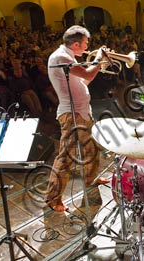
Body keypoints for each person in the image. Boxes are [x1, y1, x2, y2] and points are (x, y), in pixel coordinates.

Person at [45, 25, 109, 212]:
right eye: (85, 44)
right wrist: (99, 59)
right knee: (66, 157)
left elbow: (84, 81)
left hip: (82, 113)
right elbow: (88, 73)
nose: (87, 47)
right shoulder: (61, 57)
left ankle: (90, 179)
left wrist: (100, 65)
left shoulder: (69, 57)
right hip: (72, 115)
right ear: (75, 44)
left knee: (92, 149)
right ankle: (52, 198)